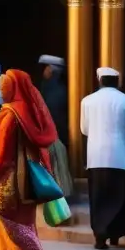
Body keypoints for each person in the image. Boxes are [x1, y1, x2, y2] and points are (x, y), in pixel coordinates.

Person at [0, 69, 63, 250]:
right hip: (26, 182)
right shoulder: (28, 112)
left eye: (4, 86)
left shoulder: (9, 115)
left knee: (12, 229)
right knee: (24, 226)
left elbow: (1, 154)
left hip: (7, 182)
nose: (1, 90)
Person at [81, 67, 125, 249]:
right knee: (118, 197)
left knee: (98, 197)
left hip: (95, 157)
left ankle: (100, 236)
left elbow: (84, 129)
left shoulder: (87, 101)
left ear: (100, 80)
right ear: (118, 81)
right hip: (118, 156)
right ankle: (115, 235)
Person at [38, 55, 73, 201]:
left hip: (53, 137)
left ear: (51, 70)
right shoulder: (50, 89)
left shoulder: (55, 92)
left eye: (45, 68)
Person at [38, 55, 69, 144]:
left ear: (51, 70)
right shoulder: (48, 87)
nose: (44, 71)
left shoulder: (57, 91)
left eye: (46, 68)